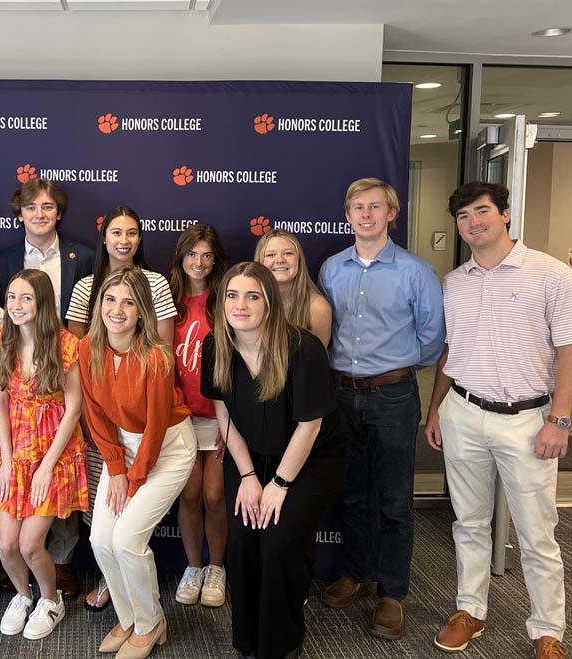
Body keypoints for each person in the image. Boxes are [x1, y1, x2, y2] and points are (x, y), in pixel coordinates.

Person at [424, 182, 572, 659]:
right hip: (464, 412)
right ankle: (469, 610)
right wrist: (436, 408)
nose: (472, 222)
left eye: (481, 212)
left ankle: (547, 630)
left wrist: (559, 420)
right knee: (470, 522)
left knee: (536, 531)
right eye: (463, 217)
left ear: (504, 215)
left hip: (528, 420)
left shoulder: (551, 274)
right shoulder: (454, 282)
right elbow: (450, 352)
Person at [317, 177, 445, 640]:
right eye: (357, 207)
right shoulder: (331, 269)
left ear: (392, 213)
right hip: (341, 394)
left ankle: (392, 593)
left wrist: (394, 367)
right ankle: (357, 571)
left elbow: (432, 341)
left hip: (393, 394)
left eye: (375, 207)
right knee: (351, 492)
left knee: (393, 499)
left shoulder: (416, 272)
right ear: (347, 215)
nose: (366, 214)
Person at [202, 261, 348, 659]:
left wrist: (279, 486)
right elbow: (225, 415)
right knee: (244, 537)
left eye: (253, 296)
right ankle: (250, 640)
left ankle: (281, 644)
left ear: (269, 303)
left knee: (279, 539)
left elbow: (310, 426)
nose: (241, 305)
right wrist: (248, 476)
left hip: (311, 458)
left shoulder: (302, 348)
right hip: (251, 456)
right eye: (232, 295)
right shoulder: (215, 345)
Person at [65, 206, 177, 611]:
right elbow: (82, 356)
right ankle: (111, 579)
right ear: (105, 237)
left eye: (132, 232)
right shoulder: (86, 287)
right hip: (101, 419)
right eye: (116, 231)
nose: (124, 239)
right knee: (104, 505)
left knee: (129, 514)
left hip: (144, 409)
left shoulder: (155, 283)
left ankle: (137, 599)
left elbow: (162, 349)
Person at [81, 267, 196, 659]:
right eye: (110, 300)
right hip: (124, 451)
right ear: (99, 307)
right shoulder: (87, 349)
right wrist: (115, 468)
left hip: (167, 449)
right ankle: (129, 617)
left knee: (128, 540)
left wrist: (132, 480)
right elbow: (94, 415)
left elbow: (156, 426)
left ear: (142, 312)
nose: (117, 309)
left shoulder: (155, 357)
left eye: (129, 302)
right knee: (100, 539)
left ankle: (150, 624)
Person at [0, 178, 93, 599]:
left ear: (59, 213)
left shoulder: (82, 257)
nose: (40, 214)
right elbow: (3, 327)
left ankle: (60, 566)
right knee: (14, 539)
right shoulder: (2, 262)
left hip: (59, 380)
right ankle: (25, 579)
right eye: (31, 207)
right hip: (20, 406)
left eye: (48, 207)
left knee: (55, 502)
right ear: (20, 214)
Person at [0, 269, 88, 639]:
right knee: (6, 547)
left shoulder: (65, 344)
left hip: (55, 452)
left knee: (31, 545)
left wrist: (47, 466)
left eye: (26, 298)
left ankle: (51, 600)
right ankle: (22, 594)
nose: (17, 305)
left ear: (42, 302)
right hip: (15, 448)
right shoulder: (2, 338)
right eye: (12, 297)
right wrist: (7, 458)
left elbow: (74, 407)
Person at [167, 224, 229, 608]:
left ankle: (216, 567)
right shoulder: (167, 301)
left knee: (214, 495)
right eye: (192, 254)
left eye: (207, 255)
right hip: (181, 417)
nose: (199, 263)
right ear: (181, 257)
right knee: (189, 495)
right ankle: (193, 566)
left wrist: (230, 421)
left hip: (219, 417)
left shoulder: (224, 299)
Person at [255, 228, 332, 346]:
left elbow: (317, 361)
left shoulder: (317, 307)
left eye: (288, 253)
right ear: (260, 262)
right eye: (270, 255)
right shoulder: (249, 302)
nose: (280, 260)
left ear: (299, 260)